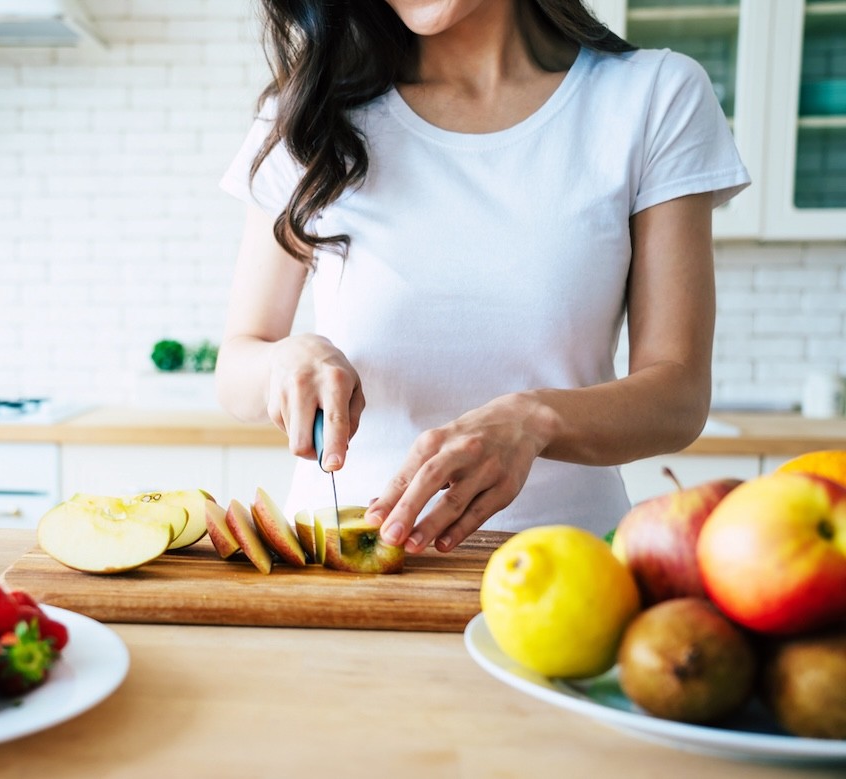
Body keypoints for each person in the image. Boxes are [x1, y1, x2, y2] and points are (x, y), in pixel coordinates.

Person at [214, 0, 750, 555]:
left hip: (569, 568)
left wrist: (536, 420)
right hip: (336, 564)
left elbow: (678, 396)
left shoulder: (654, 96)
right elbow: (237, 364)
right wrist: (285, 361)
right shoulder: (309, 112)